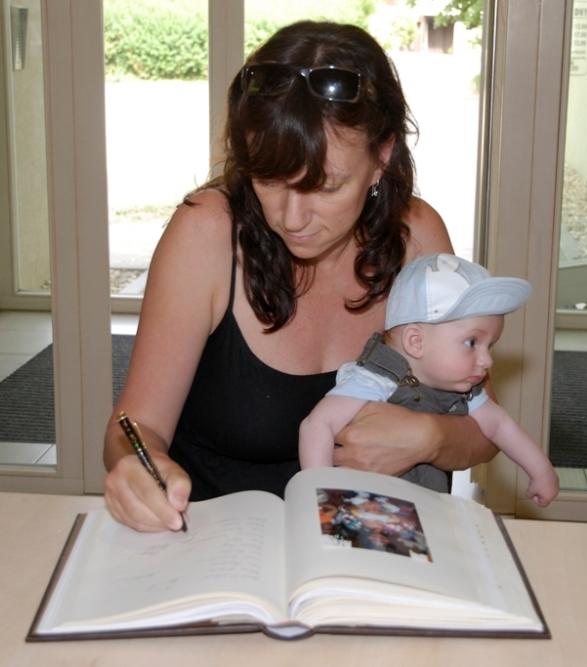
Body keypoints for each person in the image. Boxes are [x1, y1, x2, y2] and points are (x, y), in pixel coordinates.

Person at [103, 20, 500, 533]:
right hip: (218, 550)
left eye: (326, 187)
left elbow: (485, 432)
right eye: (269, 179)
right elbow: (135, 427)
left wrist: (430, 438)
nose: (292, 218)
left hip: (375, 548)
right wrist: (136, 467)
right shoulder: (207, 233)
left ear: (382, 157)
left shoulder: (418, 240)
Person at [299, 253, 560, 506]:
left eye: (489, 346)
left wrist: (541, 471)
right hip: (367, 512)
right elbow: (317, 425)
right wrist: (323, 498)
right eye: (472, 343)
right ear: (416, 341)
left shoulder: (462, 388)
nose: (487, 360)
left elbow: (499, 425)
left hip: (428, 514)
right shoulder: (373, 380)